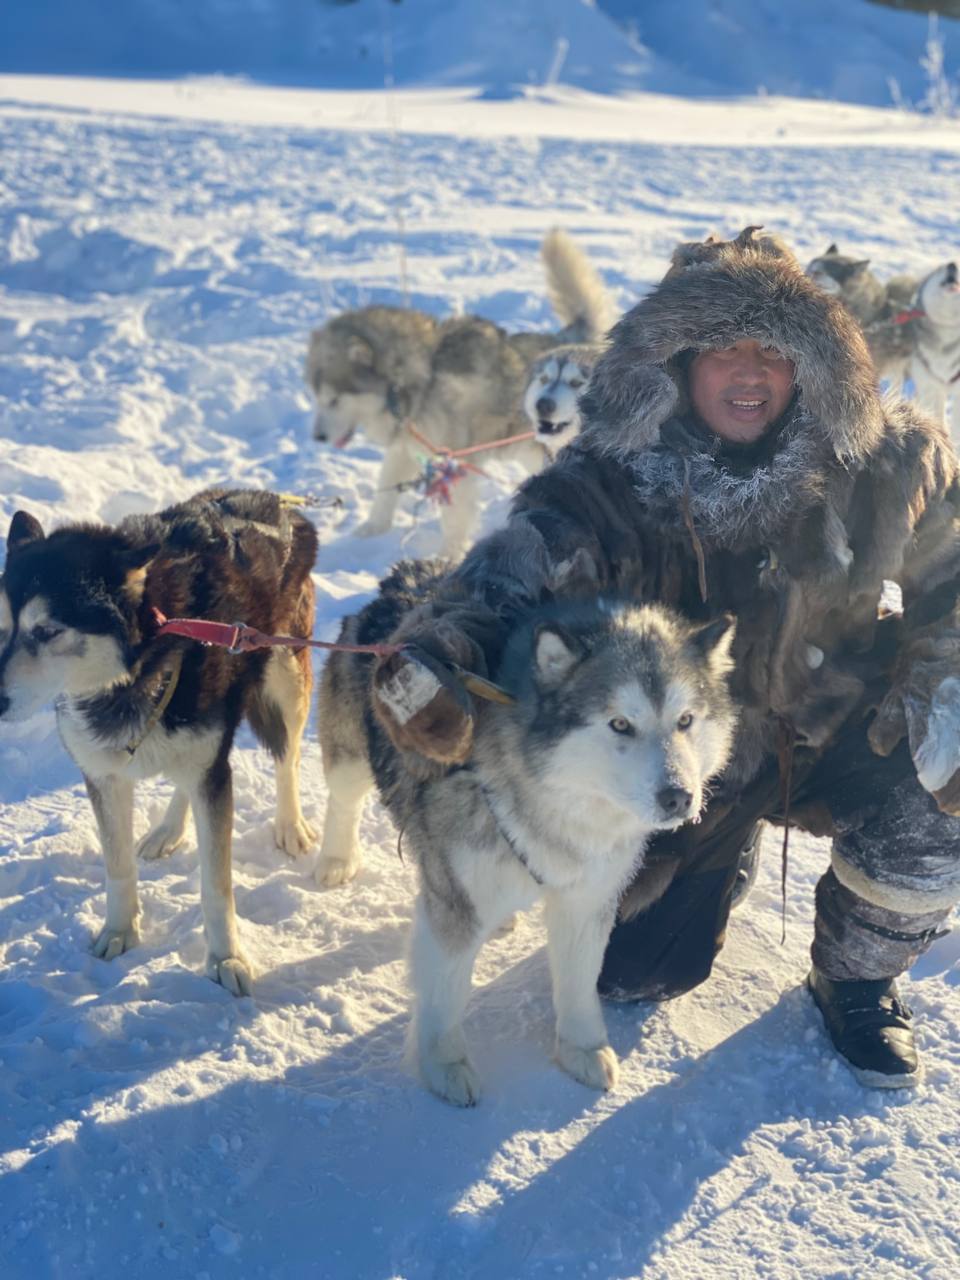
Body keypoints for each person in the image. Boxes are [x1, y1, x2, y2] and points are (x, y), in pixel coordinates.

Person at [371, 228, 960, 1089]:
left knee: (949, 769)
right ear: (675, 363)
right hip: (679, 753)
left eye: (775, 349)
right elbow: (505, 576)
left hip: (837, 727)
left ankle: (858, 978)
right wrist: (435, 660)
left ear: (811, 366)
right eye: (722, 348)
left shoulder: (887, 462)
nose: (750, 371)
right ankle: (721, 852)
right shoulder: (611, 477)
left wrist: (942, 677)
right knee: (634, 975)